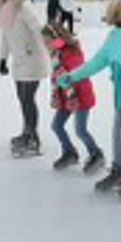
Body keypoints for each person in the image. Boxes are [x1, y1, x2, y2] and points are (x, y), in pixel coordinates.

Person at [59, 0, 121, 198]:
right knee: (117, 133)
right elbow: (97, 62)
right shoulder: (114, 37)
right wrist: (73, 76)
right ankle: (118, 171)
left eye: (112, 11)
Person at [0, 0, 49, 157]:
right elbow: (5, 37)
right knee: (22, 99)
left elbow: (38, 29)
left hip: (32, 58)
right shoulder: (3, 9)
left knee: (28, 99)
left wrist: (53, 50)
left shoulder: (23, 7)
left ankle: (34, 139)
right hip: (18, 61)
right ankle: (27, 132)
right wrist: (2, 59)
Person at [43, 22, 105, 174]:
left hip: (80, 96)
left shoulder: (72, 53)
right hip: (66, 98)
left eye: (47, 41)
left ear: (57, 39)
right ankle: (70, 152)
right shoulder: (56, 54)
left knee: (80, 130)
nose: (45, 45)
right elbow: (58, 78)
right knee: (57, 126)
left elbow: (76, 76)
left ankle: (96, 154)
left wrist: (72, 96)